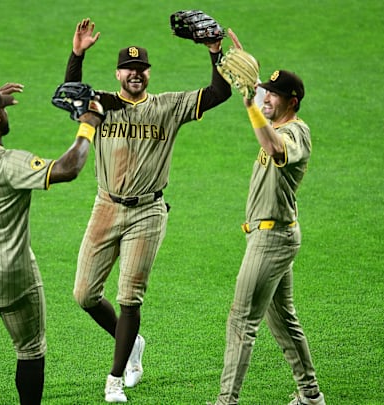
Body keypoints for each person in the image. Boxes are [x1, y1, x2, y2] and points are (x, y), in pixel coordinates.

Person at [64, 18, 232, 403]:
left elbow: (218, 92)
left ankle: (116, 377)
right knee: (84, 295)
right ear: (118, 73)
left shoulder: (168, 106)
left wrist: (214, 53)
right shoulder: (102, 104)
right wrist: (77, 55)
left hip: (148, 213)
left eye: (141, 69)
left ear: (148, 73)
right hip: (105, 207)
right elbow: (70, 92)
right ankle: (132, 343)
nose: (135, 74)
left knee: (129, 298)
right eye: (128, 68)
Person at [0, 82, 103, 405]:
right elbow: (68, 169)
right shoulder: (9, 163)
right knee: (30, 351)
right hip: (13, 278)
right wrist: (88, 125)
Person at [212, 30, 325, 405]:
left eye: (274, 95)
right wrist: (244, 64)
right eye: (266, 93)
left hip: (272, 239)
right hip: (271, 234)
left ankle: (226, 401)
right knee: (283, 322)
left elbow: (274, 148)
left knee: (241, 320)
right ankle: (311, 396)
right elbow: (257, 96)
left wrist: (249, 104)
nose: (267, 98)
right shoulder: (273, 116)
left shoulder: (295, 132)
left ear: (292, 101)